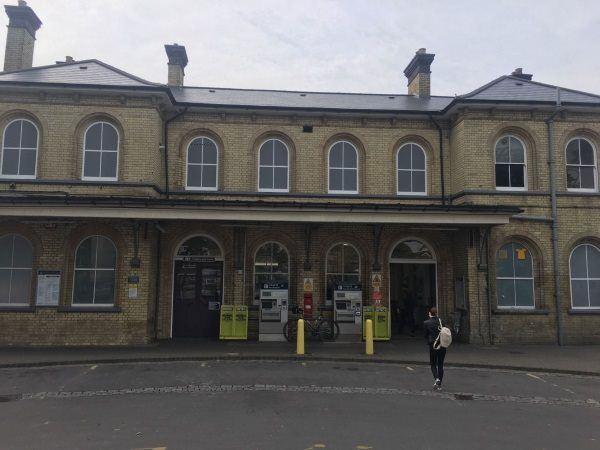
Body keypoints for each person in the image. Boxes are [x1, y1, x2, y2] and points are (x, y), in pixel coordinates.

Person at [424, 306, 446, 390]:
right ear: (437, 313)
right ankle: (439, 385)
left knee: (433, 364)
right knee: (440, 364)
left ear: (430, 313)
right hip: (442, 345)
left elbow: (425, 334)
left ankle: (436, 379)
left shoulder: (426, 323)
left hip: (433, 345)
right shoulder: (442, 321)